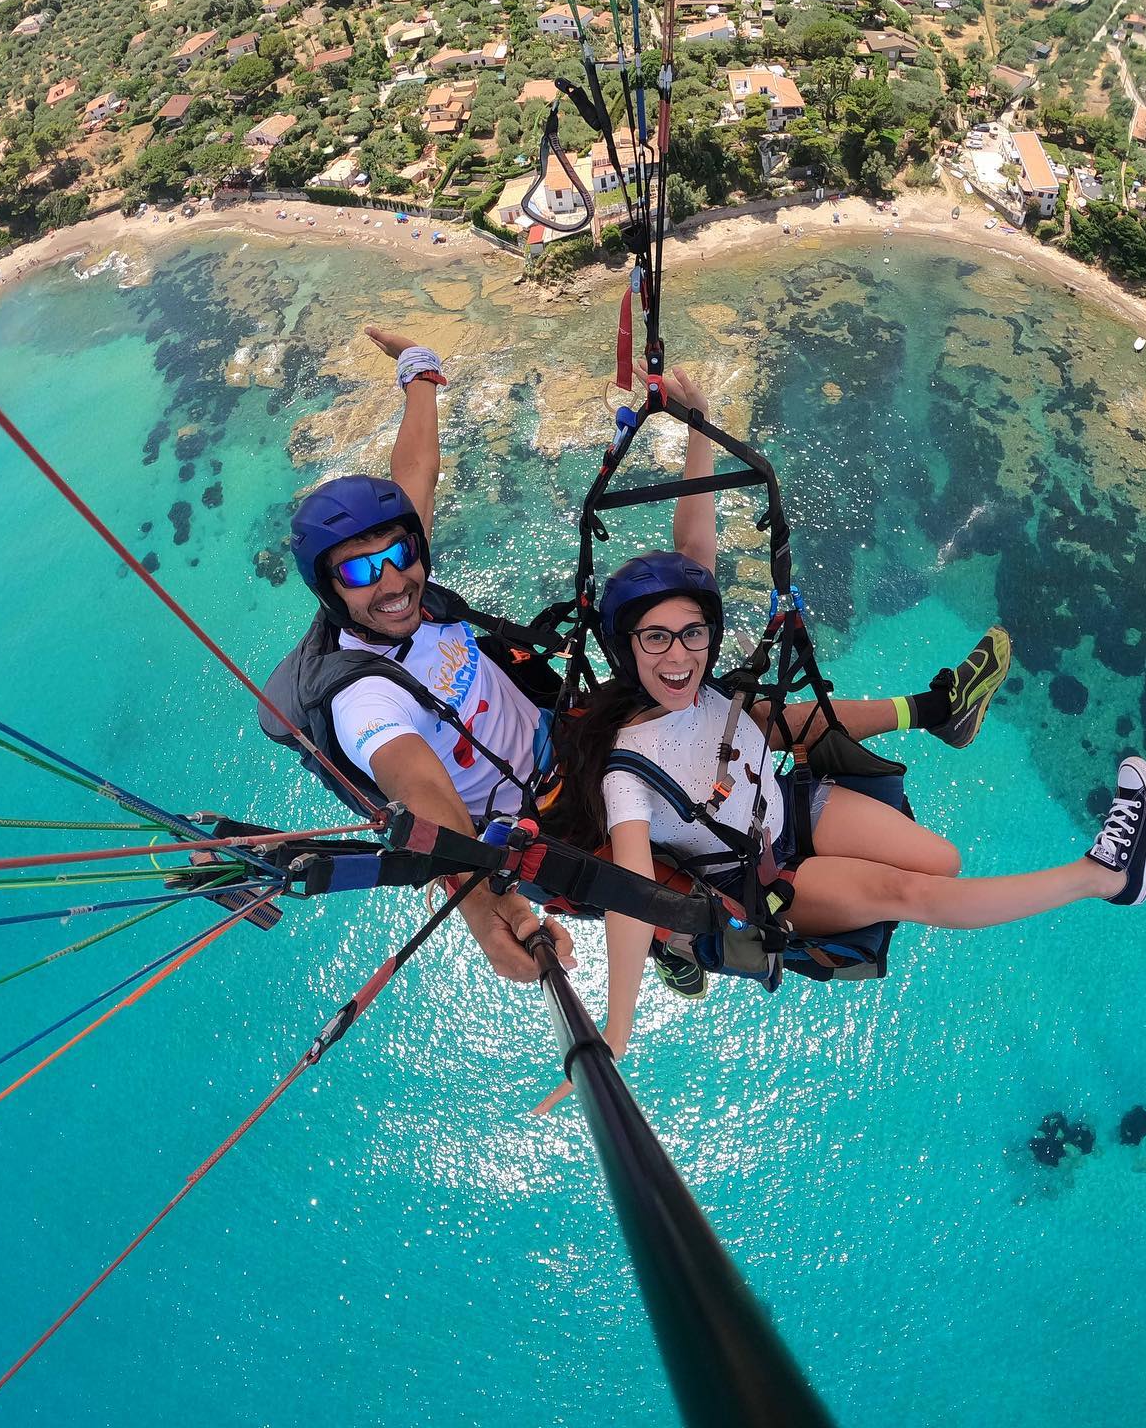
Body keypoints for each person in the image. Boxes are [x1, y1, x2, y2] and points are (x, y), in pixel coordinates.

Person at [260, 334, 1015, 985]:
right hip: (532, 822)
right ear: (328, 589)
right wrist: (493, 920)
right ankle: (676, 948)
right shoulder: (365, 698)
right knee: (659, 891)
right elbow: (424, 794)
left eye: (397, 556)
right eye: (360, 573)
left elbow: (414, 474)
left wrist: (420, 372)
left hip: (570, 734)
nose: (390, 583)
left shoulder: (403, 585)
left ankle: (935, 712)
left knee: (740, 720)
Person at [532, 387, 1146, 1113]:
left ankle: (937, 720)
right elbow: (631, 897)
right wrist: (617, 1026)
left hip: (794, 809)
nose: (680, 656)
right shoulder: (624, 774)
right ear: (625, 646)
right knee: (916, 891)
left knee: (944, 859)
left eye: (693, 633)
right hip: (766, 878)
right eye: (655, 639)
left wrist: (698, 424)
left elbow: (694, 548)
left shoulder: (696, 684)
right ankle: (1107, 876)